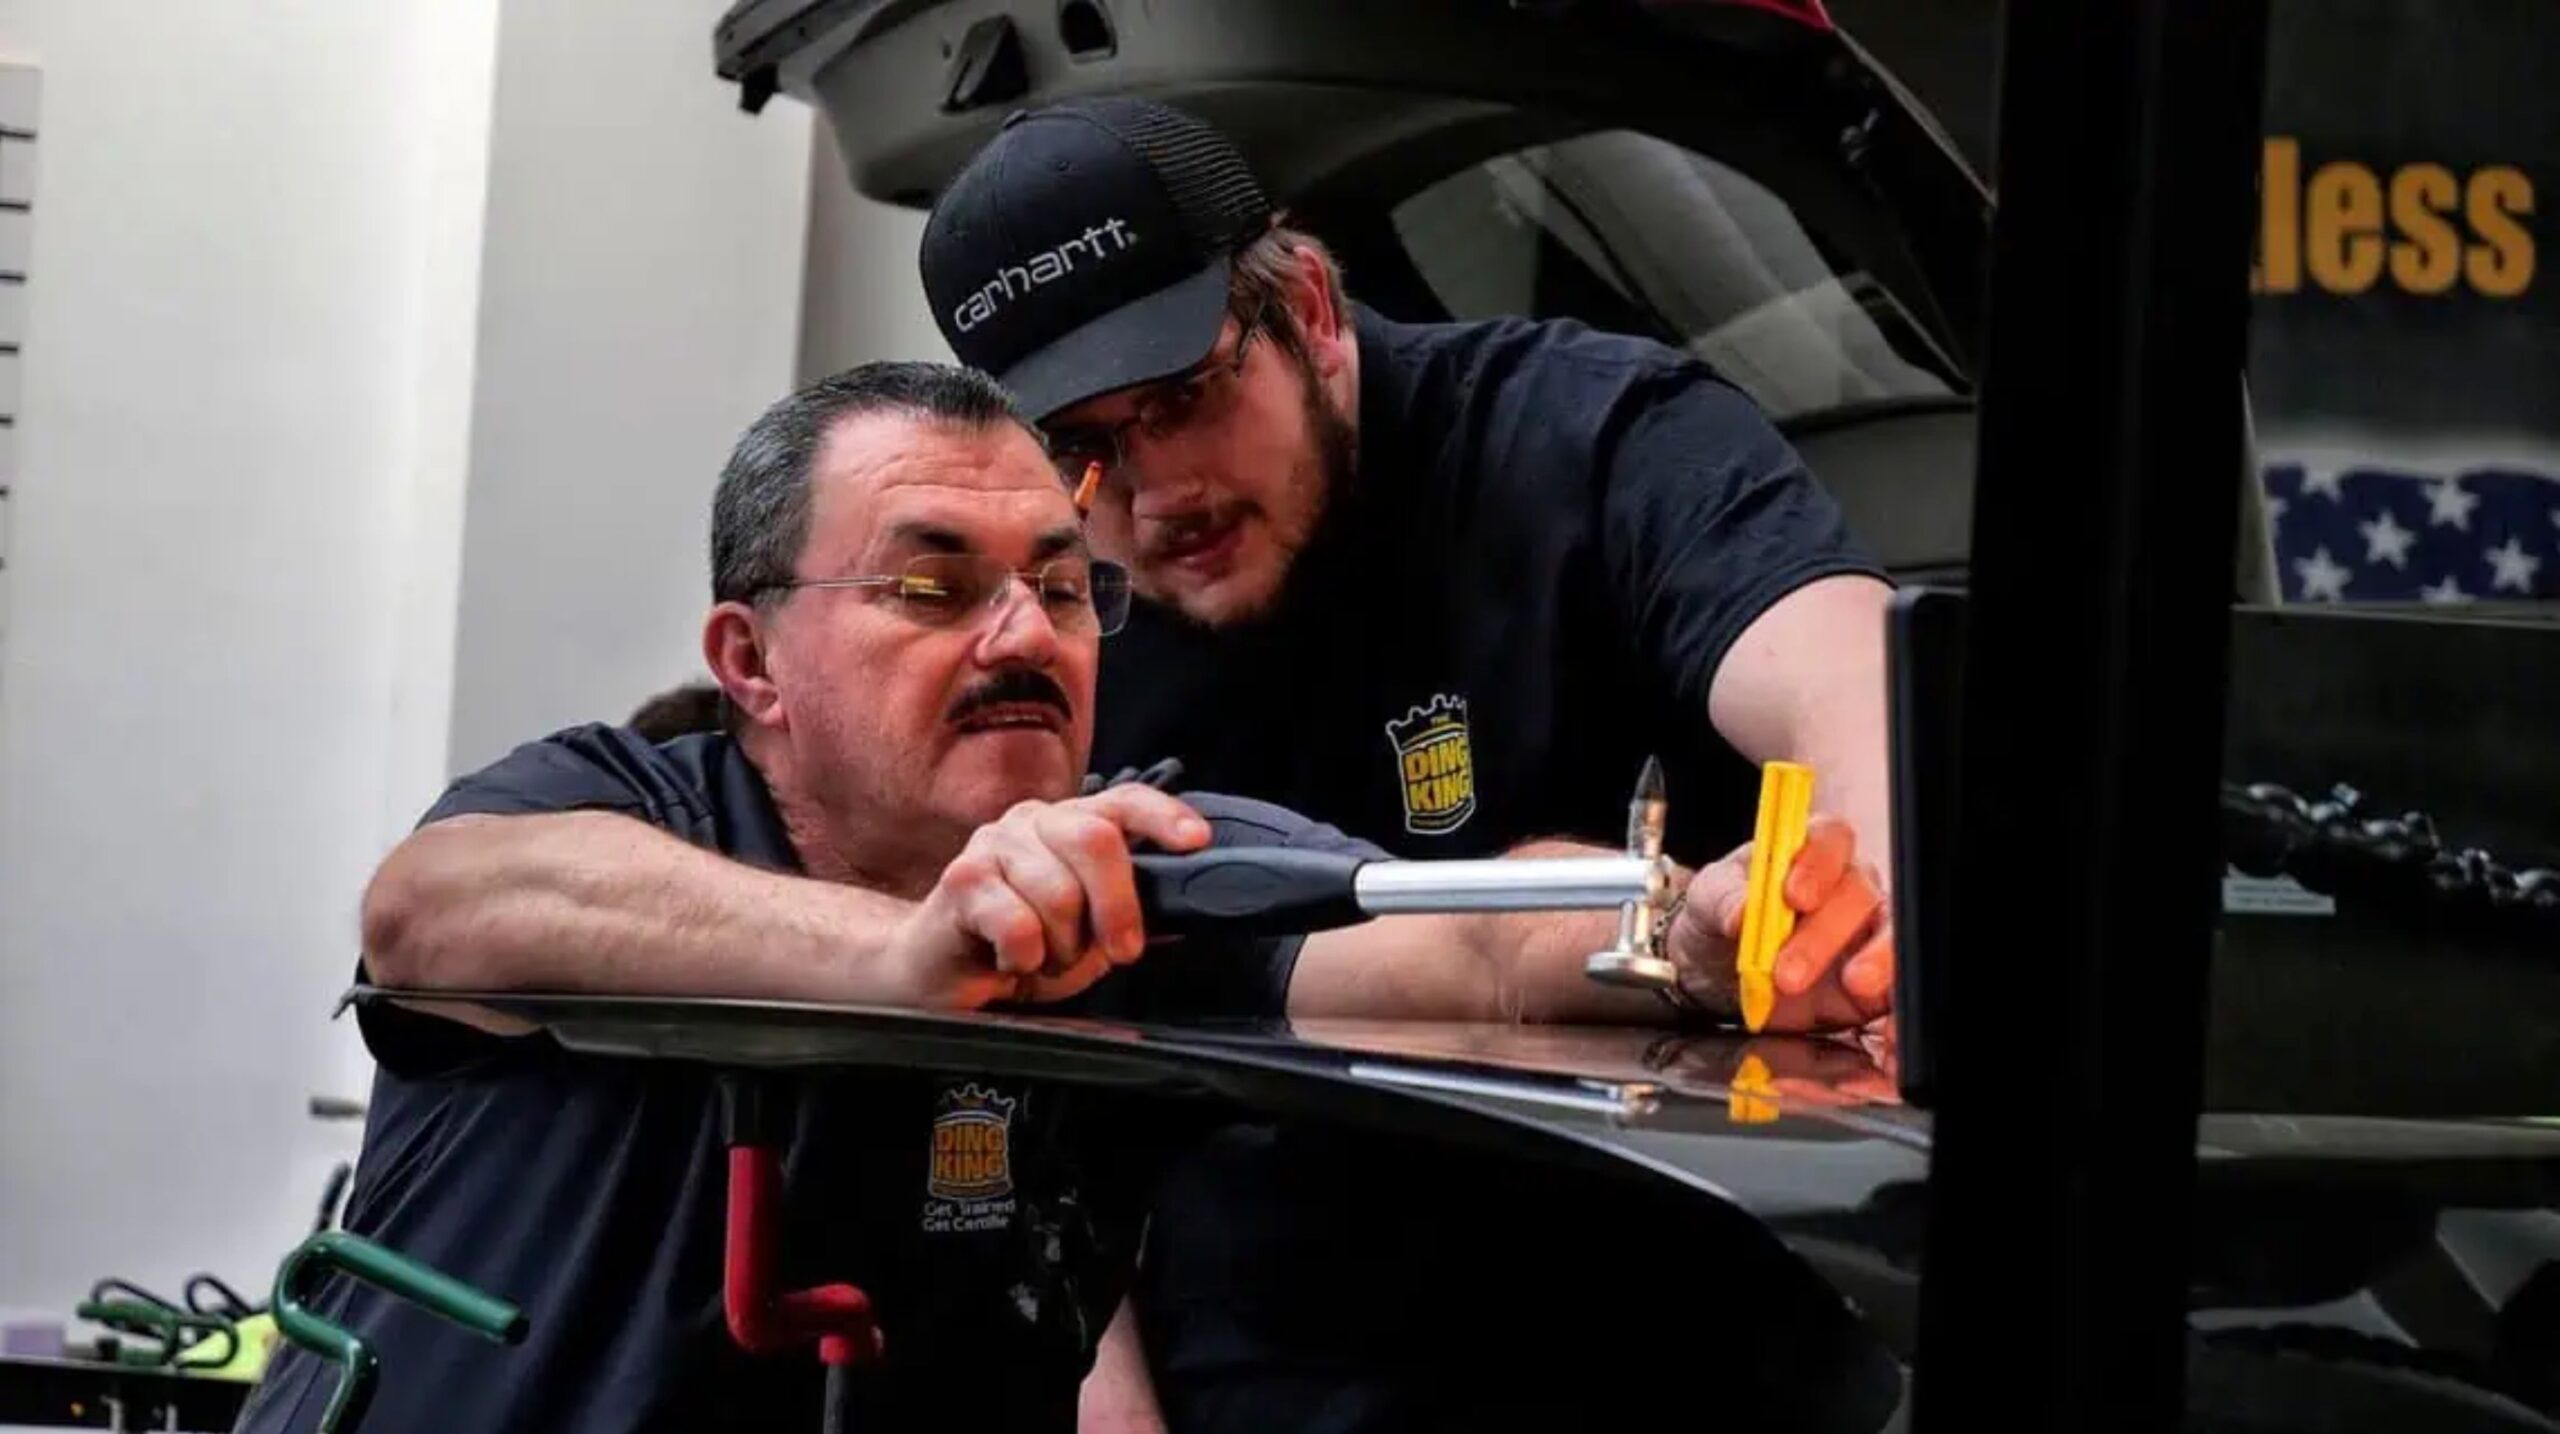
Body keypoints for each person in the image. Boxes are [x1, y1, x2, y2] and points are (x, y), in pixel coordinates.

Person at [233, 362, 1873, 1433]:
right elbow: (436, 906)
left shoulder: (1130, 863)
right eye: (930, 584)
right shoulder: (622, 801)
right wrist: (903, 954)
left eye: (1066, 590)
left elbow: (1458, 941)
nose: (1023, 635)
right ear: (750, 663)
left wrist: (1694, 934)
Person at [919, 97, 1901, 1430]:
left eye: (1183, 398)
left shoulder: (1591, 436)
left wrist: (1848, 883)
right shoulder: (1073, 618)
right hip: (1261, 1368)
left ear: (1312, 307)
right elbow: (1041, 1069)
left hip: (1665, 1347)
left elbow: (1852, 687)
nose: (1158, 495)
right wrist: (1110, 1401)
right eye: (1085, 449)